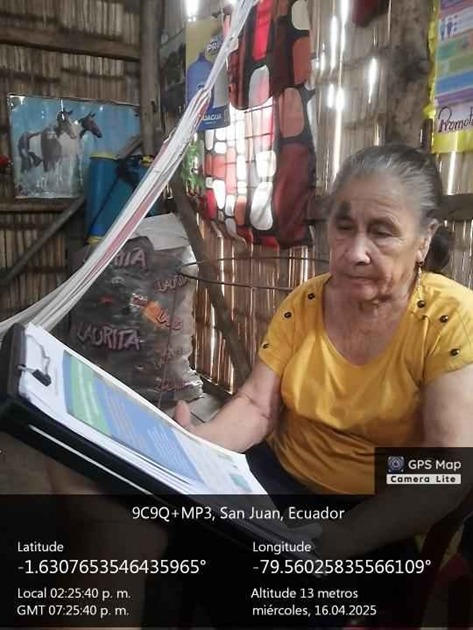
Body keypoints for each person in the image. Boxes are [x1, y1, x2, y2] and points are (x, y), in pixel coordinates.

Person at [48, 143, 473, 626]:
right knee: (118, 512)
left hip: (376, 513)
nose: (355, 252)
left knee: (269, 599)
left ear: (424, 238)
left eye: (382, 232)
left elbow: (446, 466)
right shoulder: (306, 303)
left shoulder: (448, 319)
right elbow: (257, 405)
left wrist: (342, 538)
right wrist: (191, 452)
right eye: (344, 227)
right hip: (272, 483)